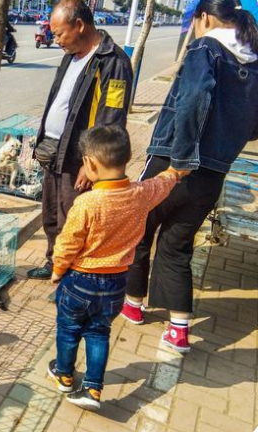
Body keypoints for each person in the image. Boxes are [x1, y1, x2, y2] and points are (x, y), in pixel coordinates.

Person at [121, 0, 258, 353]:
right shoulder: (253, 62)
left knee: (139, 232)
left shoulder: (206, 48)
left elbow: (194, 96)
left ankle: (133, 306)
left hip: (173, 163)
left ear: (205, 17)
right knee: (177, 247)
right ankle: (179, 330)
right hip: (213, 175)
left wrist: (180, 160)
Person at [47, 126, 188, 411]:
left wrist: (58, 270)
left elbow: (67, 244)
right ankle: (93, 390)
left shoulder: (86, 203)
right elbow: (163, 182)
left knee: (69, 329)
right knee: (99, 333)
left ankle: (64, 375)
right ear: (128, 158)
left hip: (80, 280)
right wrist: (176, 172)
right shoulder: (141, 194)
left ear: (90, 164)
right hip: (115, 283)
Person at [26, 0, 133, 285]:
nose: (55, 39)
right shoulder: (70, 55)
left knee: (71, 221)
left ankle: (70, 277)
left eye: (60, 33)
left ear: (80, 25)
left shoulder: (113, 62)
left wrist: (92, 162)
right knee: (50, 214)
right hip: (54, 151)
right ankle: (54, 263)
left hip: (80, 157)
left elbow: (111, 120)